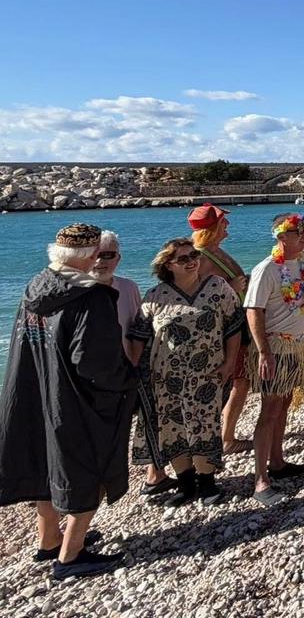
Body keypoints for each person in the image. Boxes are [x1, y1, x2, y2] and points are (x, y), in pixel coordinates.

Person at [0, 223, 135, 579]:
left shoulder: (37, 287)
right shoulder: (91, 297)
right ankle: (71, 555)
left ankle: (49, 541)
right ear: (91, 255)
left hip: (31, 393)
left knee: (44, 461)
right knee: (87, 466)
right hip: (75, 400)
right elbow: (94, 362)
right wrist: (128, 383)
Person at [128, 238, 243, 507]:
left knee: (205, 425)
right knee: (173, 428)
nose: (192, 261)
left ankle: (207, 482)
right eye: (184, 259)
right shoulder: (156, 296)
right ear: (168, 265)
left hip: (208, 374)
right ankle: (185, 483)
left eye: (194, 256)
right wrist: (132, 370)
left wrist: (229, 362)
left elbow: (234, 325)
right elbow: (139, 335)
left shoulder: (217, 287)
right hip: (166, 378)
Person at [243, 214, 304, 506]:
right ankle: (260, 480)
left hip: (298, 346)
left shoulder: (301, 263)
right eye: (298, 231)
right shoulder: (266, 270)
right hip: (276, 347)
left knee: (284, 403)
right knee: (269, 410)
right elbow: (254, 310)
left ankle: (278, 462)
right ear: (281, 237)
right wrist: (264, 352)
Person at [92, 230, 171, 500]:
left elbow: (139, 328)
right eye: (95, 254)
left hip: (128, 368)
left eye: (108, 255)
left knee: (149, 421)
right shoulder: (76, 291)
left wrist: (139, 364)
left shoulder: (127, 287)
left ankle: (155, 474)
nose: (100, 261)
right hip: (90, 378)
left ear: (118, 257)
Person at [186, 204, 253, 460]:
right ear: (213, 228)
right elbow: (195, 295)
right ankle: (225, 437)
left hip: (234, 325)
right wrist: (233, 286)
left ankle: (224, 434)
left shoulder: (214, 252)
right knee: (237, 381)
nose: (228, 226)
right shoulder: (200, 257)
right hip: (223, 332)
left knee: (240, 381)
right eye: (223, 223)